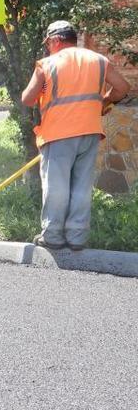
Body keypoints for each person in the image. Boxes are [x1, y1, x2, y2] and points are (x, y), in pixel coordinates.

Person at [20, 20, 129, 251]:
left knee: (56, 186)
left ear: (56, 40)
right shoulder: (98, 61)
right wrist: (104, 101)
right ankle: (77, 238)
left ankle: (53, 236)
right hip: (89, 133)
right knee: (81, 185)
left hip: (58, 134)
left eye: (48, 42)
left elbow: (27, 99)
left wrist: (42, 87)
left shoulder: (47, 64)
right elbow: (122, 87)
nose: (48, 47)